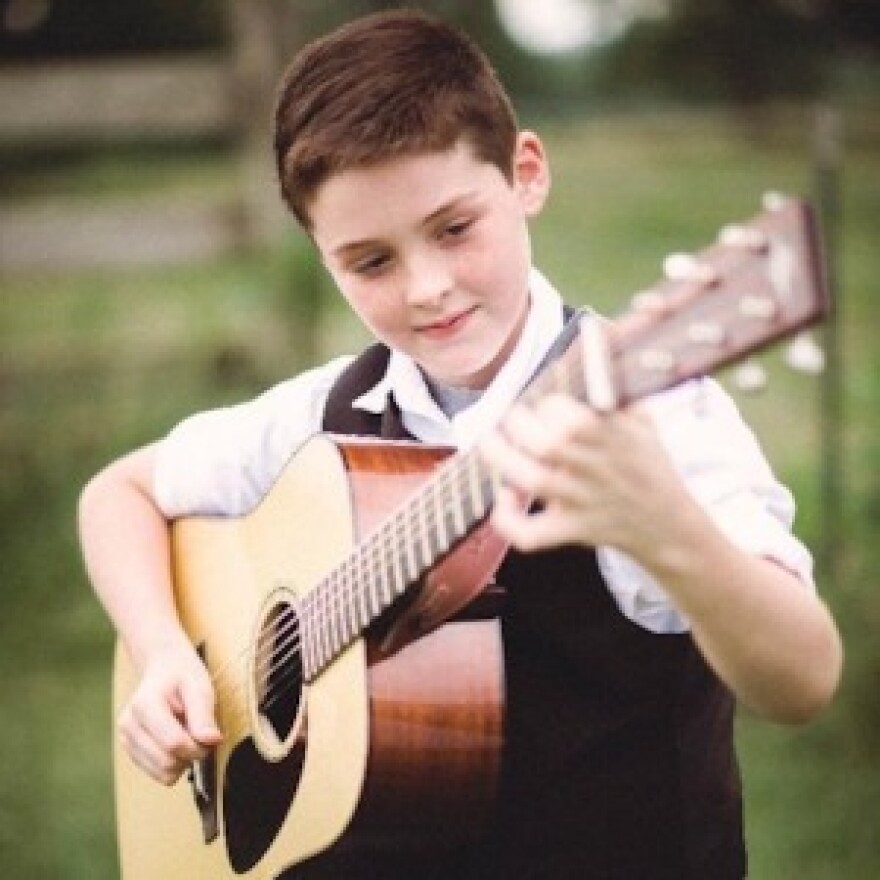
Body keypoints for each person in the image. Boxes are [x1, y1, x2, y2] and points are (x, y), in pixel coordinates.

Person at [78, 9, 842, 879]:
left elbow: (802, 680)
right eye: (371, 262)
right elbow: (118, 494)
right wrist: (165, 653)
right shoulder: (324, 413)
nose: (429, 289)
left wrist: (667, 526)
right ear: (321, 254)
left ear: (525, 173)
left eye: (454, 228)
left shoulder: (652, 415)